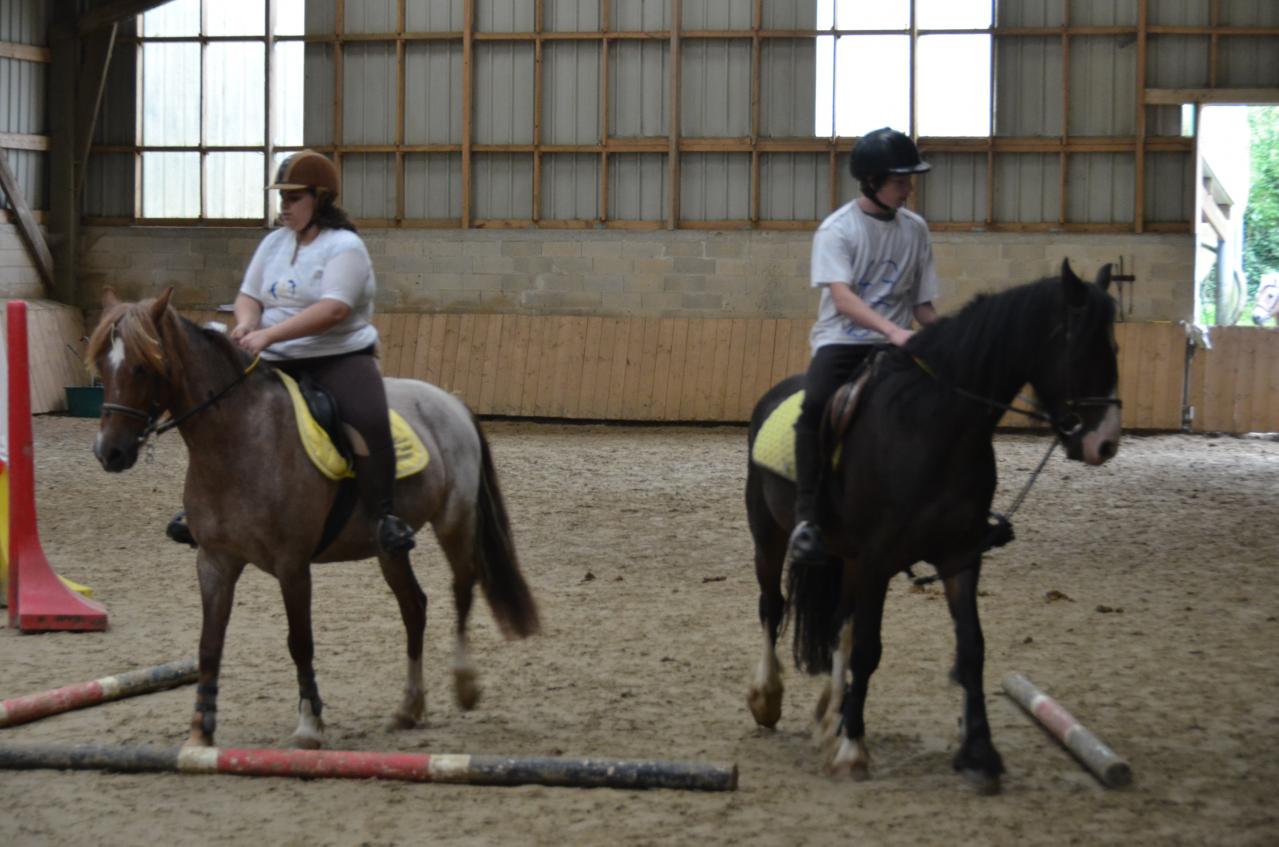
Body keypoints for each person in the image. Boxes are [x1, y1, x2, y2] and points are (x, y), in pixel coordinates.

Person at [170, 149, 415, 555]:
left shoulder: (345, 247)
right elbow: (248, 294)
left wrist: (270, 336)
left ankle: (384, 516)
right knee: (218, 413)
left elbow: (334, 309)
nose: (283, 207)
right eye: (281, 199)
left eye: (293, 198)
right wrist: (248, 323)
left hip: (337, 356)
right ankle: (202, 510)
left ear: (320, 198)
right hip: (274, 354)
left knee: (368, 419)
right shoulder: (273, 244)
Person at [787, 127, 940, 568]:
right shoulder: (837, 230)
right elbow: (843, 298)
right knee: (814, 407)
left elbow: (923, 304)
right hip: (844, 342)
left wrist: (950, 339)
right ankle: (806, 517)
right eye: (900, 181)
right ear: (872, 180)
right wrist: (893, 332)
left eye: (909, 181)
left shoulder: (916, 230)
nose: (908, 189)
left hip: (900, 343)